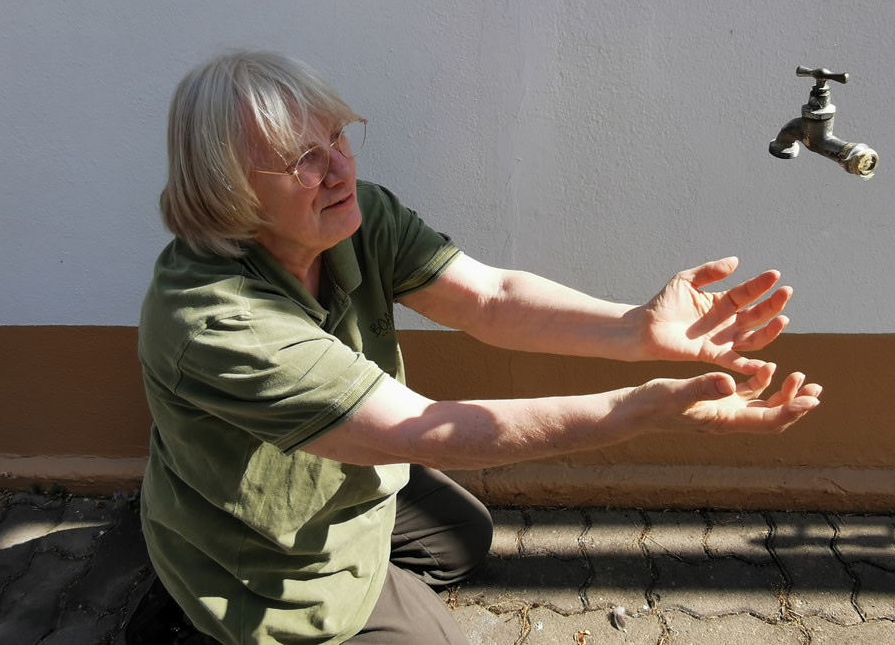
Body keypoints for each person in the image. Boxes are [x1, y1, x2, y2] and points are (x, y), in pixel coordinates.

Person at [129, 49, 822, 645]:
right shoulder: (215, 320)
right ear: (227, 189)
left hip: (347, 473)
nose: (340, 169)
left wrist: (633, 329)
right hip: (265, 549)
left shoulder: (353, 219)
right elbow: (426, 430)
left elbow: (489, 299)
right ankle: (204, 613)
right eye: (302, 160)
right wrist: (638, 412)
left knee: (461, 538)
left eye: (338, 137)